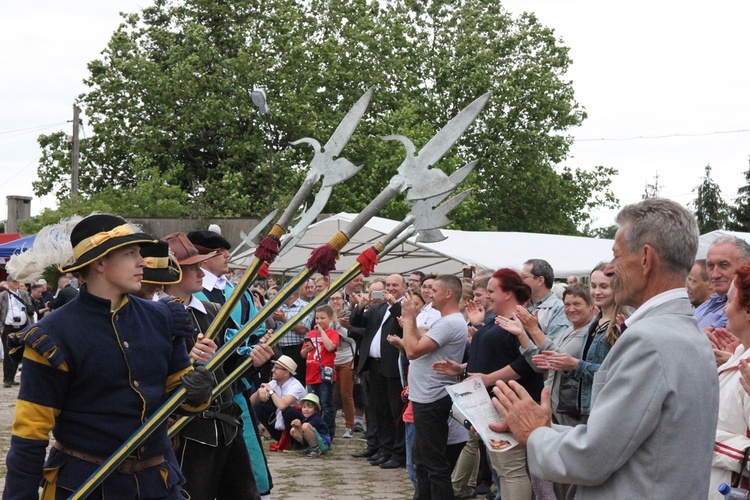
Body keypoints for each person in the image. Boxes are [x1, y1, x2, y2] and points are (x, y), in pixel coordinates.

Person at [491, 198, 720, 499]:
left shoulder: (649, 340)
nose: (610, 270)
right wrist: (545, 428)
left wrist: (534, 434)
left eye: (616, 256)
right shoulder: (684, 332)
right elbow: (626, 441)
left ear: (646, 259)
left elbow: (592, 457)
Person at [3, 214, 218, 498]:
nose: (142, 262)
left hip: (158, 484)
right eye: (130, 254)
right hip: (86, 486)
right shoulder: (52, 335)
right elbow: (30, 434)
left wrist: (198, 391)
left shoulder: (163, 319)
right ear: (100, 263)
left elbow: (181, 398)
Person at [163, 232, 266, 500]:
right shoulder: (153, 316)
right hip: (187, 431)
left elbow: (228, 366)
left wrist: (252, 361)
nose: (201, 272)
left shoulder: (211, 310)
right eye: (193, 268)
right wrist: (190, 359)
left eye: (200, 265)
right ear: (172, 273)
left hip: (227, 425)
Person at [402, 275, 468, 500]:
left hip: (432, 398)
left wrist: (409, 318)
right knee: (421, 461)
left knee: (434, 464)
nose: (429, 294)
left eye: (435, 290)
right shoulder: (445, 321)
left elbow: (412, 350)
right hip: (425, 397)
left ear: (448, 293)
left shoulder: (450, 322)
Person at [499, 283, 596, 427]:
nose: (571, 309)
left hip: (573, 413)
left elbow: (558, 359)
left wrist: (533, 330)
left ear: (591, 306)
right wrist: (522, 334)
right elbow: (541, 366)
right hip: (554, 408)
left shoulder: (590, 333)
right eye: (567, 304)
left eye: (577, 304)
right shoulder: (568, 331)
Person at [350, 274, 407, 469]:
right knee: (380, 410)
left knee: (395, 410)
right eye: (388, 285)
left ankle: (399, 453)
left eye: (395, 285)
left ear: (404, 287)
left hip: (392, 365)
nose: (391, 288)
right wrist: (360, 305)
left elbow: (406, 325)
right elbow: (356, 322)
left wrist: (394, 304)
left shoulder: (404, 307)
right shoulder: (377, 308)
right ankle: (385, 449)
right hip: (373, 365)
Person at [709, 263, 750, 497]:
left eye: (729, 301)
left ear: (748, 311)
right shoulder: (739, 356)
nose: (724, 310)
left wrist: (706, 438)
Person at [301, 305, 339, 437]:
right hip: (311, 373)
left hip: (324, 374)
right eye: (317, 318)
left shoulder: (333, 334)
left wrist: (322, 332)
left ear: (330, 318)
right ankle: (314, 429)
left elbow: (330, 347)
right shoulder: (310, 334)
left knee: (326, 403)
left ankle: (328, 431)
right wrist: (307, 349)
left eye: (322, 318)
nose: (319, 321)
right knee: (313, 404)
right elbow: (303, 354)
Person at [697, 236, 750, 331]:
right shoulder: (704, 306)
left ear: (746, 265)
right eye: (710, 266)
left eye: (724, 265)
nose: (714, 275)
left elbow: (713, 337)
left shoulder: (741, 311)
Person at [251, 355, 307, 443]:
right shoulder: (274, 383)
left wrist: (270, 391)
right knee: (260, 408)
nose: (273, 370)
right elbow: (250, 403)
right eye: (273, 367)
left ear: (286, 373)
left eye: (277, 368)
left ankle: (297, 442)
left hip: (301, 420)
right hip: (285, 419)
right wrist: (259, 391)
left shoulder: (296, 385)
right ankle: (280, 438)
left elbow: (282, 406)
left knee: (288, 411)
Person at [521, 259, 571, 340]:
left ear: (540, 280)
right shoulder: (523, 305)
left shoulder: (560, 309)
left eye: (524, 278)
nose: (520, 282)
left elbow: (554, 344)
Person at [330, 290, 356, 438]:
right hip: (331, 359)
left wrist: (337, 324)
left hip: (346, 357)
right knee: (332, 395)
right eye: (332, 298)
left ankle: (349, 426)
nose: (335, 302)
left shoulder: (349, 314)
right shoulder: (326, 314)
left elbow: (350, 337)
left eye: (338, 298)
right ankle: (330, 424)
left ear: (343, 300)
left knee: (346, 394)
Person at [0, 276, 32, 387]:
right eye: (13, 281)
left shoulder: (24, 294)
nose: (16, 283)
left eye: (17, 281)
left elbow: (30, 307)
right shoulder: (3, 296)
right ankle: (8, 379)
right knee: (8, 353)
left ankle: (16, 376)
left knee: (22, 352)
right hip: (9, 326)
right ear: (8, 283)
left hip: (23, 326)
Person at [289, 393, 331, 458]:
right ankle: (310, 448)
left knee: (305, 426)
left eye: (310, 407)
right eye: (304, 407)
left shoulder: (316, 419)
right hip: (314, 441)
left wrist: (300, 426)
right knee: (293, 430)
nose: (306, 409)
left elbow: (307, 429)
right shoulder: (307, 418)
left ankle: (316, 449)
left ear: (316, 409)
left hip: (323, 444)